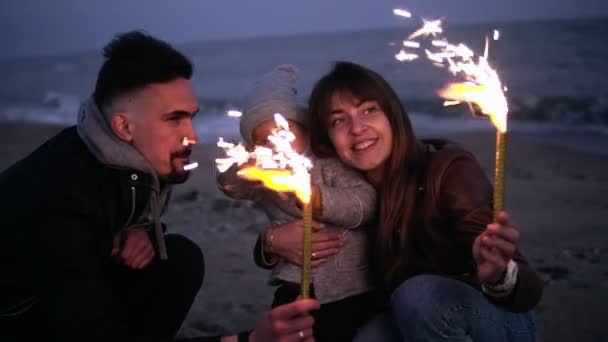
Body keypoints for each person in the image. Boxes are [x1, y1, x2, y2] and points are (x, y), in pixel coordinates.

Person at [0, 31, 318, 342]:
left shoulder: (115, 157)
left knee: (178, 259)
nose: (192, 136)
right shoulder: (57, 203)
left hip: (65, 293)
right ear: (124, 126)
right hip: (20, 321)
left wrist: (140, 230)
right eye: (174, 119)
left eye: (192, 117)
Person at [260, 61, 544, 341]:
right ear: (328, 140)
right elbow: (291, 224)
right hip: (412, 316)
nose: (357, 128)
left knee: (417, 295)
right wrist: (269, 242)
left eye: (369, 110)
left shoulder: (447, 170)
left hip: (491, 315)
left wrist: (498, 276)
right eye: (339, 120)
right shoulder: (341, 192)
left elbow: (528, 291)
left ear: (392, 116)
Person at [217, 65, 377, 342]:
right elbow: (230, 186)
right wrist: (247, 165)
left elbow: (364, 204)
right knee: (285, 328)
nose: (277, 145)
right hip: (293, 279)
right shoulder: (266, 178)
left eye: (283, 133)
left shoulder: (329, 166)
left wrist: (317, 197)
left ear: (304, 130)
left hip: (347, 286)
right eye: (265, 140)